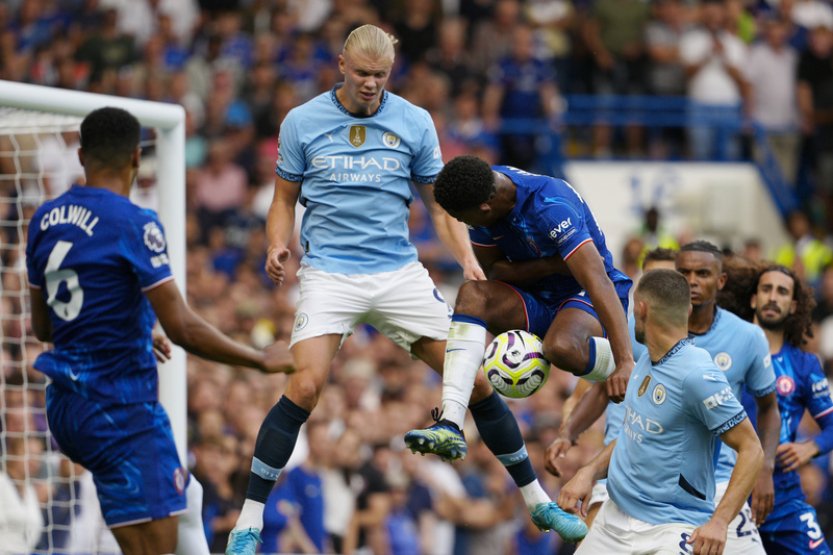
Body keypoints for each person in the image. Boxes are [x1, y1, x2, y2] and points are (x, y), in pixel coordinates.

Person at [227, 24, 579, 553]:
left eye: (382, 75)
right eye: (363, 74)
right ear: (342, 64)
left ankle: (538, 502)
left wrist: (466, 260)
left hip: (397, 274)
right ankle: (248, 523)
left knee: (476, 384)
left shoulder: (414, 121)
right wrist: (278, 244)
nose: (372, 84)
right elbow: (283, 199)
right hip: (330, 274)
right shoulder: (302, 121)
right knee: (303, 387)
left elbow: (441, 205)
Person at [25, 106, 290, 555]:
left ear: (82, 155)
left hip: (65, 408)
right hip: (117, 409)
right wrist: (260, 359)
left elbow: (46, 325)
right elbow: (183, 327)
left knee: (187, 497)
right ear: (135, 158)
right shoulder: (134, 222)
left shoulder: (44, 219)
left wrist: (133, 324)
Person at [548, 241, 780, 552]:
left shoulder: (698, 374)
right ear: (685, 310)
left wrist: (720, 522)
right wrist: (587, 472)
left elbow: (752, 449)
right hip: (614, 520)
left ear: (640, 309)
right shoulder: (646, 357)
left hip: (669, 528)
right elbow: (634, 432)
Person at [405, 154, 633, 460]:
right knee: (472, 294)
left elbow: (598, 281)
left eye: (466, 219)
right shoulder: (478, 191)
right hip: (537, 297)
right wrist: (551, 264)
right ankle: (451, 421)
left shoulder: (550, 205)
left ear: (484, 208)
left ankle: (631, 368)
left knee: (561, 347)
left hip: (583, 294)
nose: (466, 225)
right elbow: (496, 273)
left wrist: (625, 359)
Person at [546, 247, 677, 528]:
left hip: (664, 480)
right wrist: (568, 434)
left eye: (665, 279)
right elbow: (602, 387)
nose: (656, 290)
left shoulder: (695, 350)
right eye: (650, 279)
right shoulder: (628, 330)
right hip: (614, 467)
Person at [748, 265, 833, 554]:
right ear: (753, 299)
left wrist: (811, 448)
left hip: (782, 498)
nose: (773, 297)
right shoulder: (726, 355)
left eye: (782, 291)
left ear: (793, 305)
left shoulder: (804, 365)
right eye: (766, 289)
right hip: (725, 498)